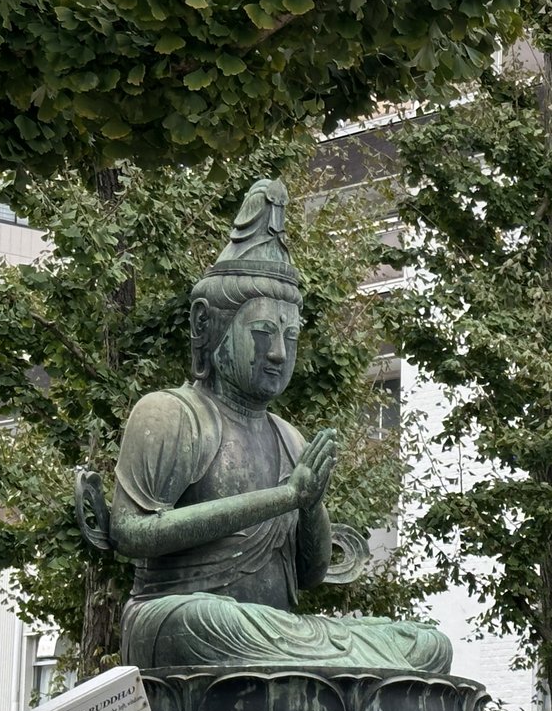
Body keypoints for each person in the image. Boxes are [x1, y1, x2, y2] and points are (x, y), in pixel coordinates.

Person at [105, 179, 452, 673]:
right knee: (205, 617)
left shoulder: (290, 438)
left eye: (290, 337)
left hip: (275, 628)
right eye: (263, 333)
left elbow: (309, 575)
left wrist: (309, 505)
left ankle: (316, 671)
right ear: (209, 327)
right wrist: (284, 497)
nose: (278, 353)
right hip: (186, 624)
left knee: (425, 645)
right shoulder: (171, 413)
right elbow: (132, 534)